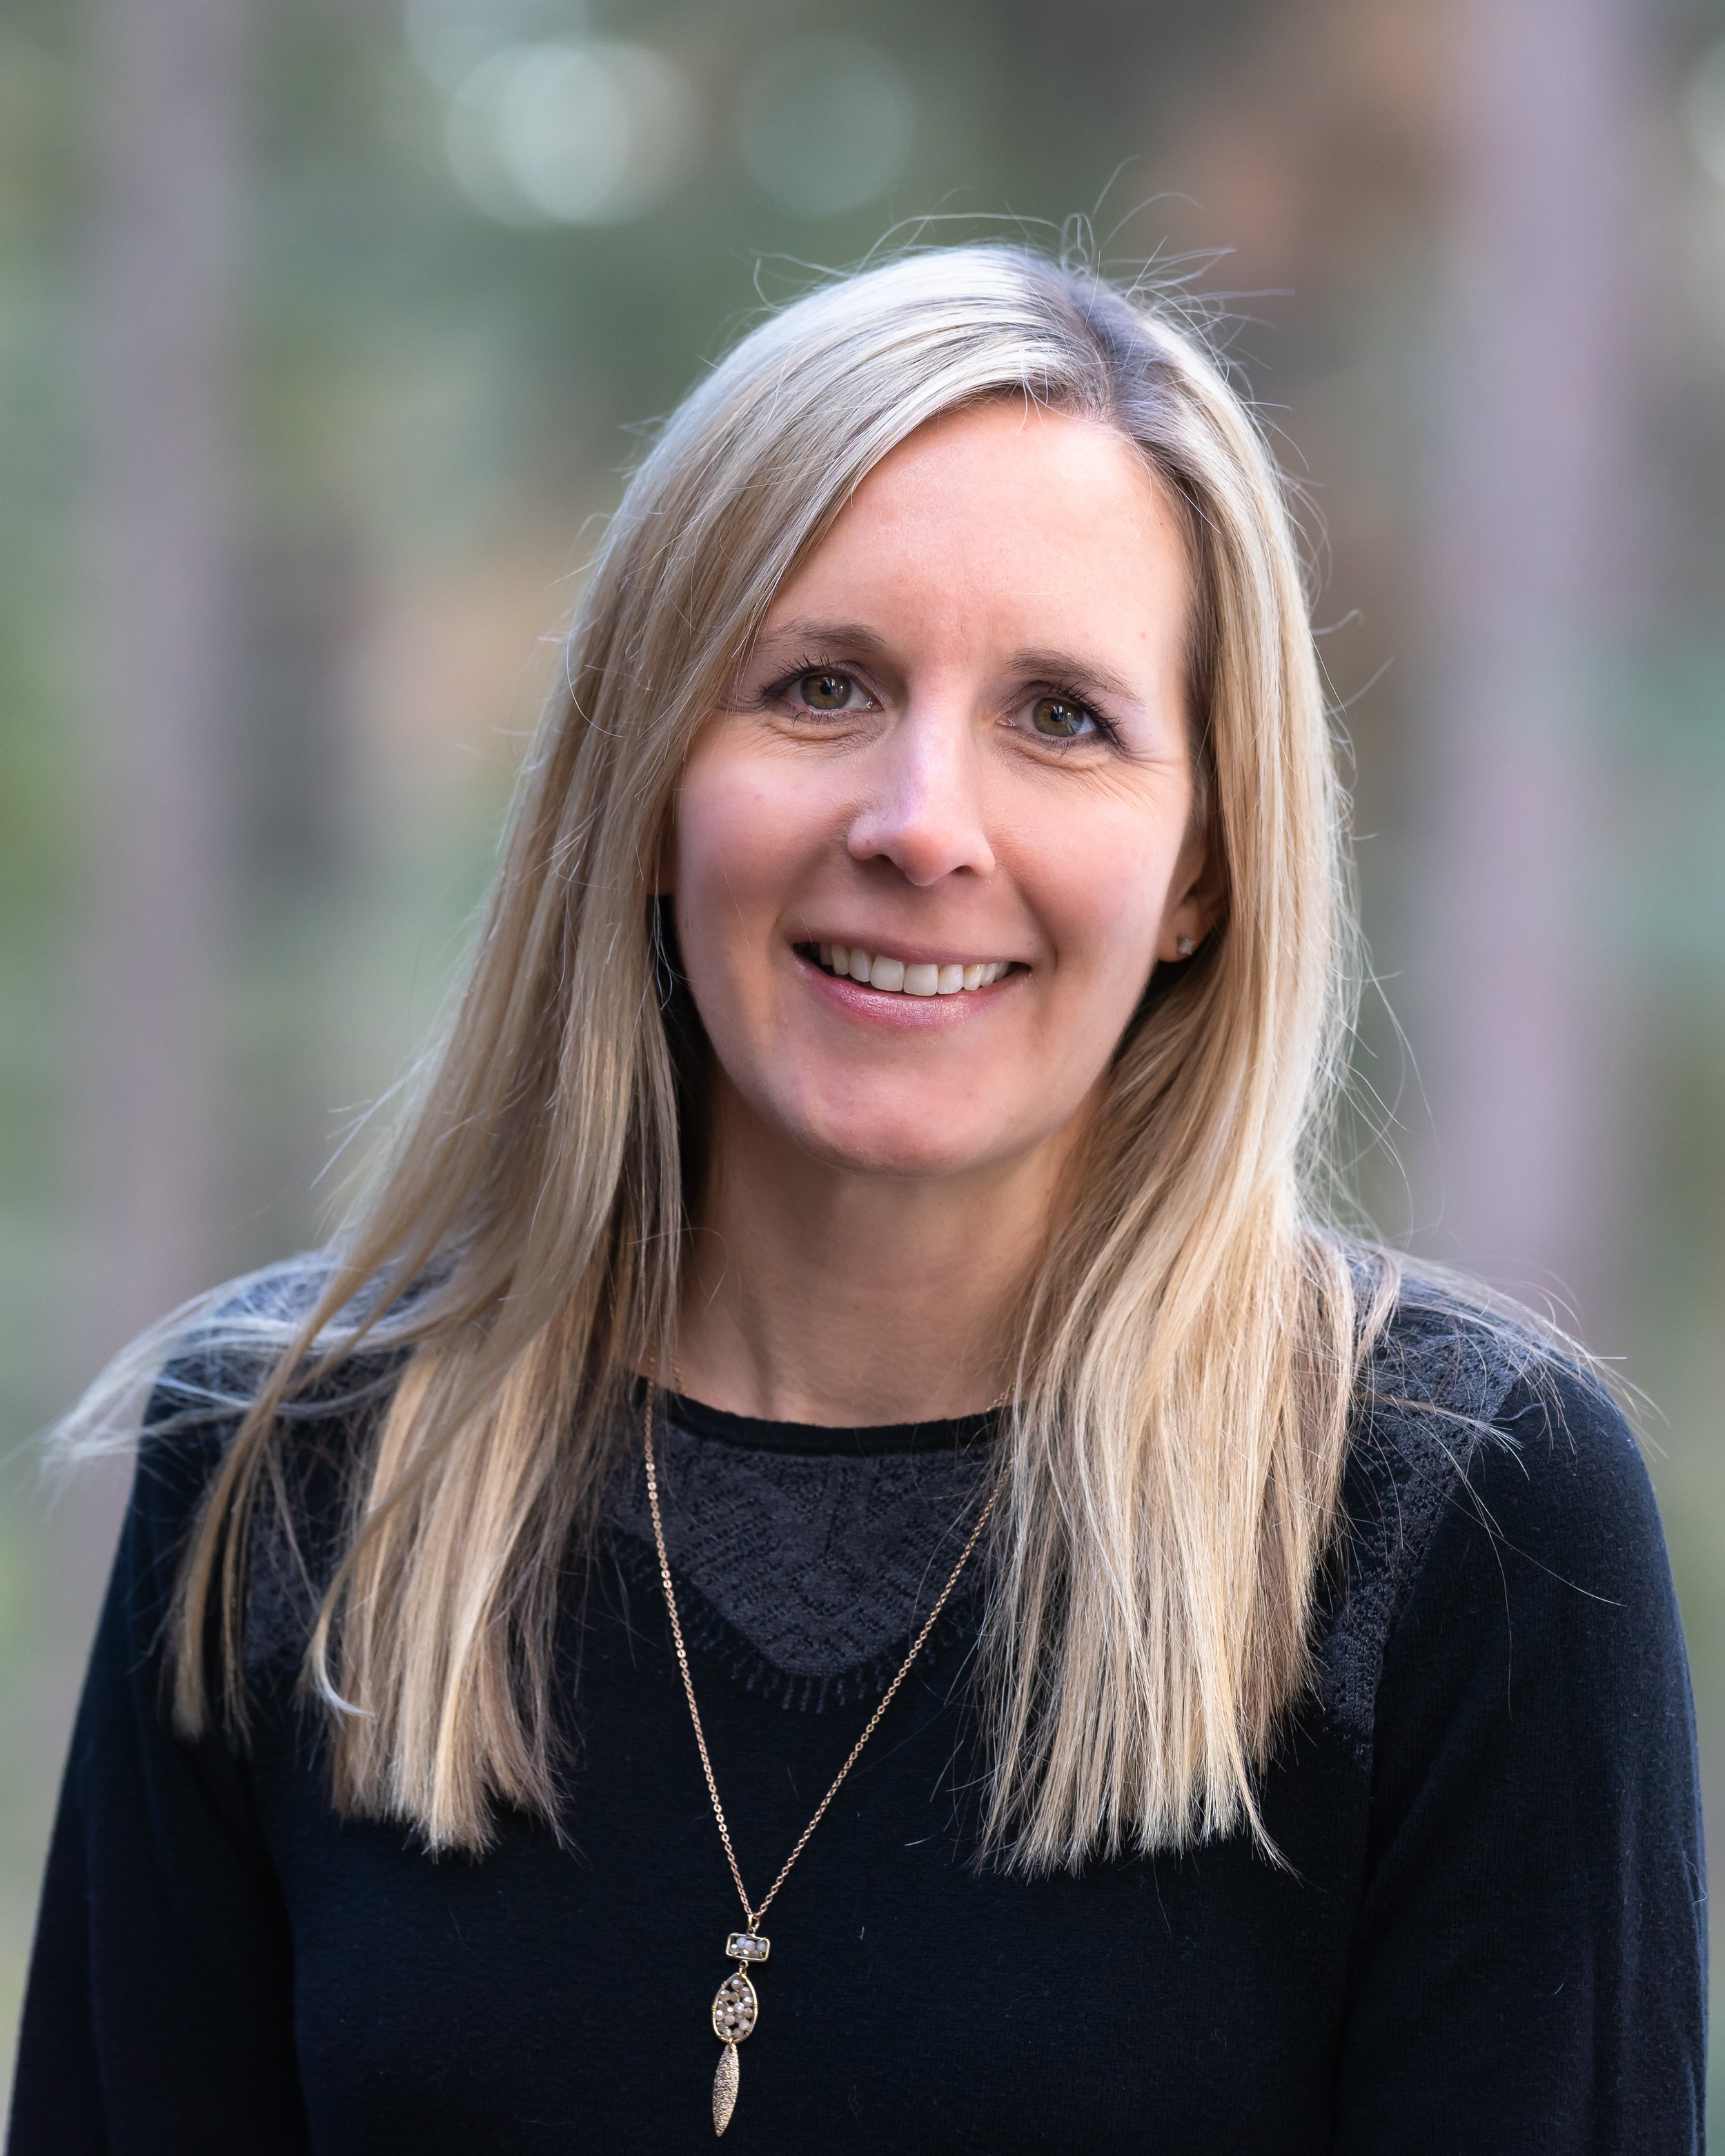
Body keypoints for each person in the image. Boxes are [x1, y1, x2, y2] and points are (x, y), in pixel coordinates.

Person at [8, 247, 1704, 2153]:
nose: (919, 825)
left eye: (1062, 717)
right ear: (650, 778)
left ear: (1202, 871)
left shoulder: (1464, 1523)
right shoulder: (286, 1462)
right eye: (819, 687)